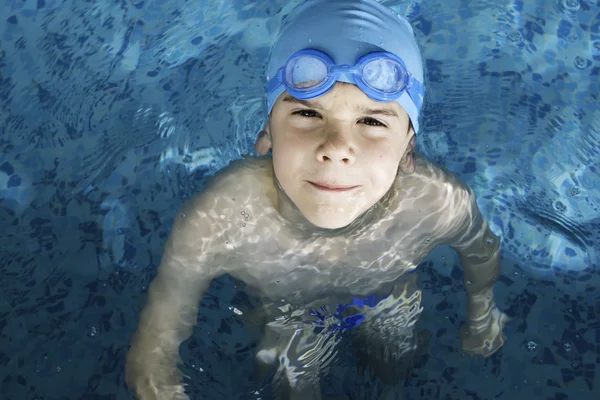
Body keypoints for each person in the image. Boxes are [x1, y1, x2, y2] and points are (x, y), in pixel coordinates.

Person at [125, 0, 509, 399]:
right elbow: (157, 340)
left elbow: (480, 251)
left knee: (395, 364)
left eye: (372, 121)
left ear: (407, 151)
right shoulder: (224, 214)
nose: (337, 147)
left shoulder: (435, 202)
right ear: (267, 135)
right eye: (308, 115)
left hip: (387, 299)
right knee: (289, 382)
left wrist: (483, 309)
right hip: (284, 315)